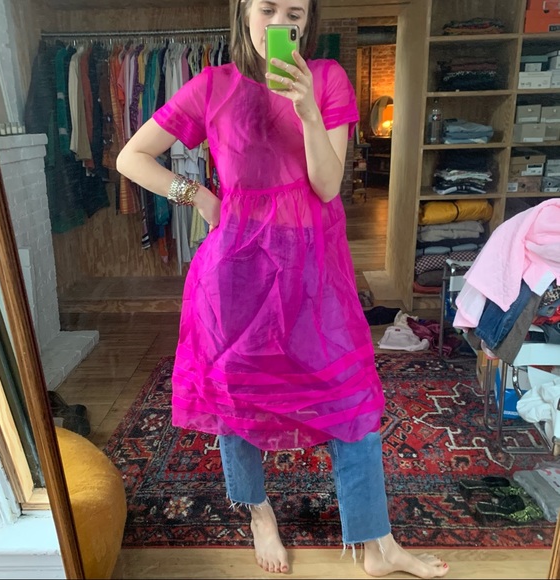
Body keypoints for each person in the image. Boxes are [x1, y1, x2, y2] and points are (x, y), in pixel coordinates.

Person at [117, 0, 449, 577]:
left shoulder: (328, 78)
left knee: (352, 395)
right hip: (236, 269)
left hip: (314, 269)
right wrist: (199, 197)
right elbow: (131, 156)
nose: (279, 22)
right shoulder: (211, 85)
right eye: (267, 8)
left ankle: (378, 545)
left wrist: (308, 112)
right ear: (243, 12)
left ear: (307, 21)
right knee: (237, 396)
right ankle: (258, 512)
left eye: (294, 12)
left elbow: (327, 186)